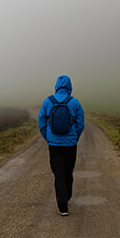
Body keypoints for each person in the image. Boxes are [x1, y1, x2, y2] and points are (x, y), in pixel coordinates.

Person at [38, 75, 85, 216]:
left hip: (54, 145)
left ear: (57, 86)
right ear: (69, 87)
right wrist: (74, 137)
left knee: (58, 174)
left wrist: (48, 137)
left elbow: (41, 122)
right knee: (68, 172)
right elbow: (80, 124)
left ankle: (62, 206)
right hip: (70, 144)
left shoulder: (48, 101)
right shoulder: (75, 102)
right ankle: (67, 196)